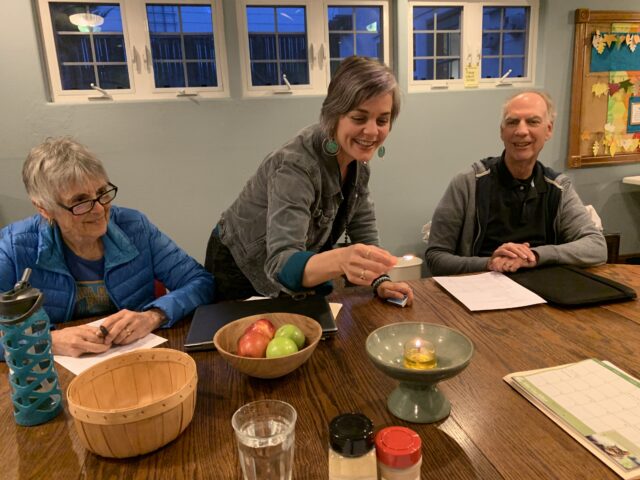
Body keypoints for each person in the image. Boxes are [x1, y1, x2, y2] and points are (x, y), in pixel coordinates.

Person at [205, 56, 413, 304]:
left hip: (290, 267)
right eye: (359, 118)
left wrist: (381, 279)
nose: (372, 131)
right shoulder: (296, 165)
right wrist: (341, 260)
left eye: (382, 120)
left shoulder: (357, 162)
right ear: (334, 114)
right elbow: (281, 262)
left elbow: (362, 224)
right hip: (239, 266)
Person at [0, 137, 214, 357]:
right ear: (44, 209)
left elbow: (200, 282)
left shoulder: (135, 227)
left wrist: (153, 315)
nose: (100, 209)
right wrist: (47, 341)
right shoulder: (13, 247)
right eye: (81, 201)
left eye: (102, 192)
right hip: (57, 372)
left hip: (139, 356)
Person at [425, 90, 607, 276]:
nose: (521, 131)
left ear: (548, 130)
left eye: (533, 122)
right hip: (479, 290)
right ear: (502, 131)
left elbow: (596, 247)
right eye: (512, 122)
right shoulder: (468, 183)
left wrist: (534, 256)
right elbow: (436, 257)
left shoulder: (558, 188)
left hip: (545, 291)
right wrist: (490, 263)